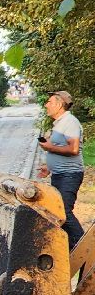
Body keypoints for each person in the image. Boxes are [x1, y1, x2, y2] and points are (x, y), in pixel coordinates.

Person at [37, 89, 86, 248]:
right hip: (60, 175)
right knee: (57, 213)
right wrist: (48, 167)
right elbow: (60, 147)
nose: (46, 105)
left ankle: (84, 248)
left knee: (63, 212)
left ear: (59, 104)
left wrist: (50, 147)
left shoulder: (70, 122)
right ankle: (71, 249)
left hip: (69, 175)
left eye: (49, 102)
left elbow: (73, 149)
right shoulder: (60, 123)